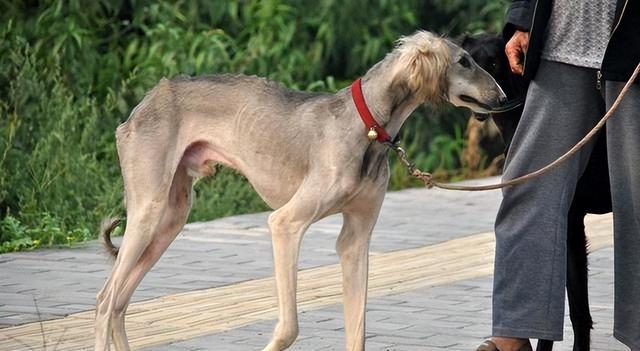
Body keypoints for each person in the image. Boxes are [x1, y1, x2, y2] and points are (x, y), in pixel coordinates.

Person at [476, 1, 640, 350]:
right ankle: (513, 336)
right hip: (562, 43)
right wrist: (523, 18)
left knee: (637, 198)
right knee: (527, 187)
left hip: (633, 49)